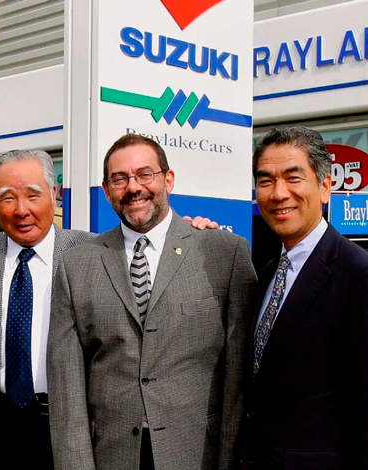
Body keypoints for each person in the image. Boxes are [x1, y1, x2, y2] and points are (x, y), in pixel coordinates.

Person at [48, 133, 257, 470]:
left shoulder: (224, 254)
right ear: (107, 191)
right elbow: (67, 388)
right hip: (111, 457)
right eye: (120, 179)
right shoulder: (77, 266)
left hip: (197, 455)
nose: (133, 187)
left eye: (145, 174)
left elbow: (238, 381)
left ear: (168, 180)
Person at [241, 127, 368, 470]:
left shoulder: (361, 276)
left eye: (293, 178)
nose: (278, 193)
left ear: (325, 187)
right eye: (266, 181)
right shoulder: (269, 272)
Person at [0, 149, 93, 470]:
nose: (21, 210)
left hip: (69, 432)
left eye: (33, 195)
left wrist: (192, 239)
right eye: (7, 197)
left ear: (53, 193)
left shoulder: (92, 253)